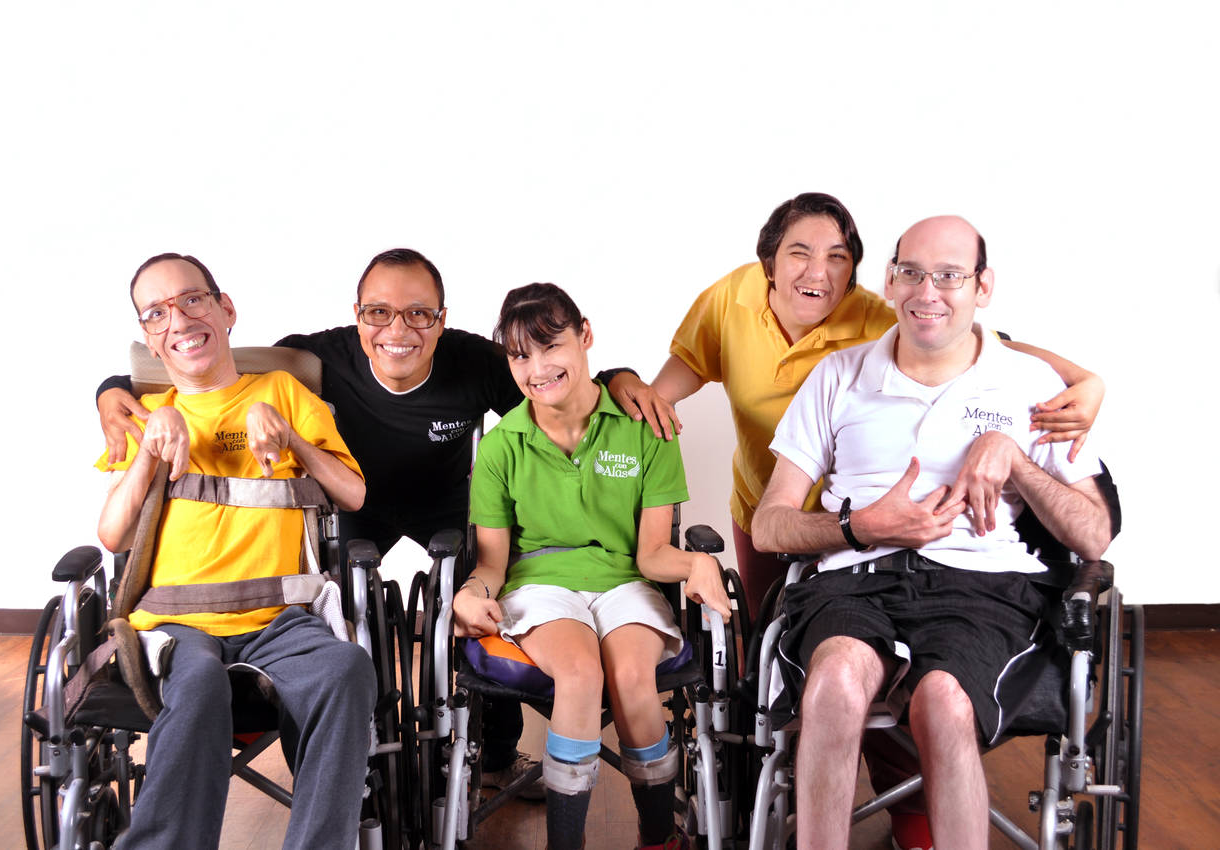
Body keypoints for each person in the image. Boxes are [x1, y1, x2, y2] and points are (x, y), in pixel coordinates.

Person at [96, 248, 678, 798]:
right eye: (378, 313)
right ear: (358, 316)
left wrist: (621, 377)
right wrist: (112, 391)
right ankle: (366, 751)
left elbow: (553, 386)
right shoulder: (319, 357)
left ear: (441, 320)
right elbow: (213, 361)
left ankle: (496, 751)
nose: (397, 330)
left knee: (480, 598)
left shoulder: (473, 361)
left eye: (418, 314)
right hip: (357, 507)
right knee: (348, 615)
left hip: (446, 506)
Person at [644, 193, 1103, 849]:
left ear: (983, 287)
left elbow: (1093, 535)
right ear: (890, 280)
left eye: (950, 275)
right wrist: (863, 526)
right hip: (853, 577)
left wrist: (1016, 459)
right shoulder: (836, 373)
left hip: (982, 587)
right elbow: (771, 524)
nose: (928, 291)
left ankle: (916, 820)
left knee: (943, 702)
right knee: (833, 684)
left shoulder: (1028, 384)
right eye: (912, 272)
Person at [97, 253, 374, 849]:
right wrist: (151, 448)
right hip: (178, 623)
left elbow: (352, 494)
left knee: (347, 668)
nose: (178, 319)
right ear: (149, 335)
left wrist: (291, 435)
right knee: (198, 685)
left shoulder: (283, 391)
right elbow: (113, 536)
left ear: (225, 309)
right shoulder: (148, 415)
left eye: (192, 299)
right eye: (156, 312)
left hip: (280, 621)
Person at [452, 283, 732, 850]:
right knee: (580, 675)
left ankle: (659, 837)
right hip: (540, 583)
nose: (537, 369)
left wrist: (697, 563)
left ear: (585, 335)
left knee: (632, 678)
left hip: (627, 581)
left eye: (551, 346)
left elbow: (652, 554)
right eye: (520, 356)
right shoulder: (502, 446)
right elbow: (493, 564)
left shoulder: (645, 426)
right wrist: (469, 592)